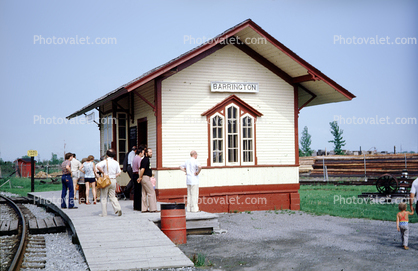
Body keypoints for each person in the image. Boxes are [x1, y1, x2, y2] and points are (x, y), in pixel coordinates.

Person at [96, 149, 122, 217]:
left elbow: (98, 166)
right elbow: (119, 172)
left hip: (106, 180)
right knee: (113, 196)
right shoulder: (116, 162)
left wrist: (103, 173)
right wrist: (113, 176)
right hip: (113, 180)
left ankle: (104, 213)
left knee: (104, 197)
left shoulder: (105, 161)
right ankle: (118, 208)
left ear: (107, 155)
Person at [139, 148, 157, 212]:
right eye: (150, 152)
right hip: (145, 177)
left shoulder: (146, 160)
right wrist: (140, 177)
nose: (151, 154)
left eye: (151, 152)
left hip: (144, 177)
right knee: (151, 192)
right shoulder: (145, 160)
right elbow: (142, 169)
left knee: (144, 193)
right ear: (146, 153)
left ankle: (144, 208)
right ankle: (153, 208)